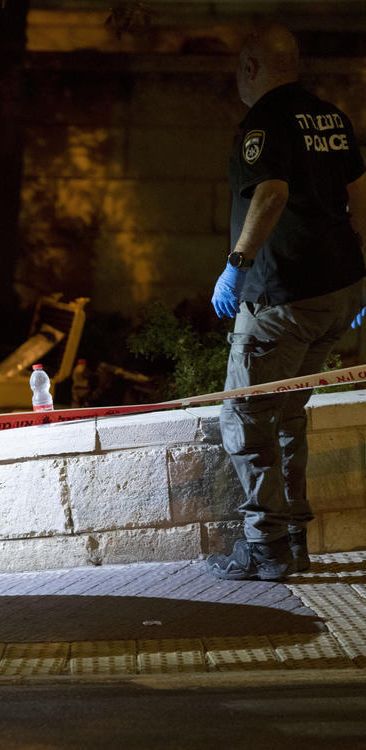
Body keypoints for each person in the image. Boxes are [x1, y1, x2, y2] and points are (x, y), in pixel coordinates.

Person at [206, 25, 366, 582]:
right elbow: (361, 201)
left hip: (282, 298)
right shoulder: (331, 117)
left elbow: (271, 193)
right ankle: (294, 536)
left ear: (251, 65)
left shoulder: (263, 123)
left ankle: (264, 545)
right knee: (288, 413)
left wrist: (236, 265)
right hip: (337, 296)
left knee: (245, 416)